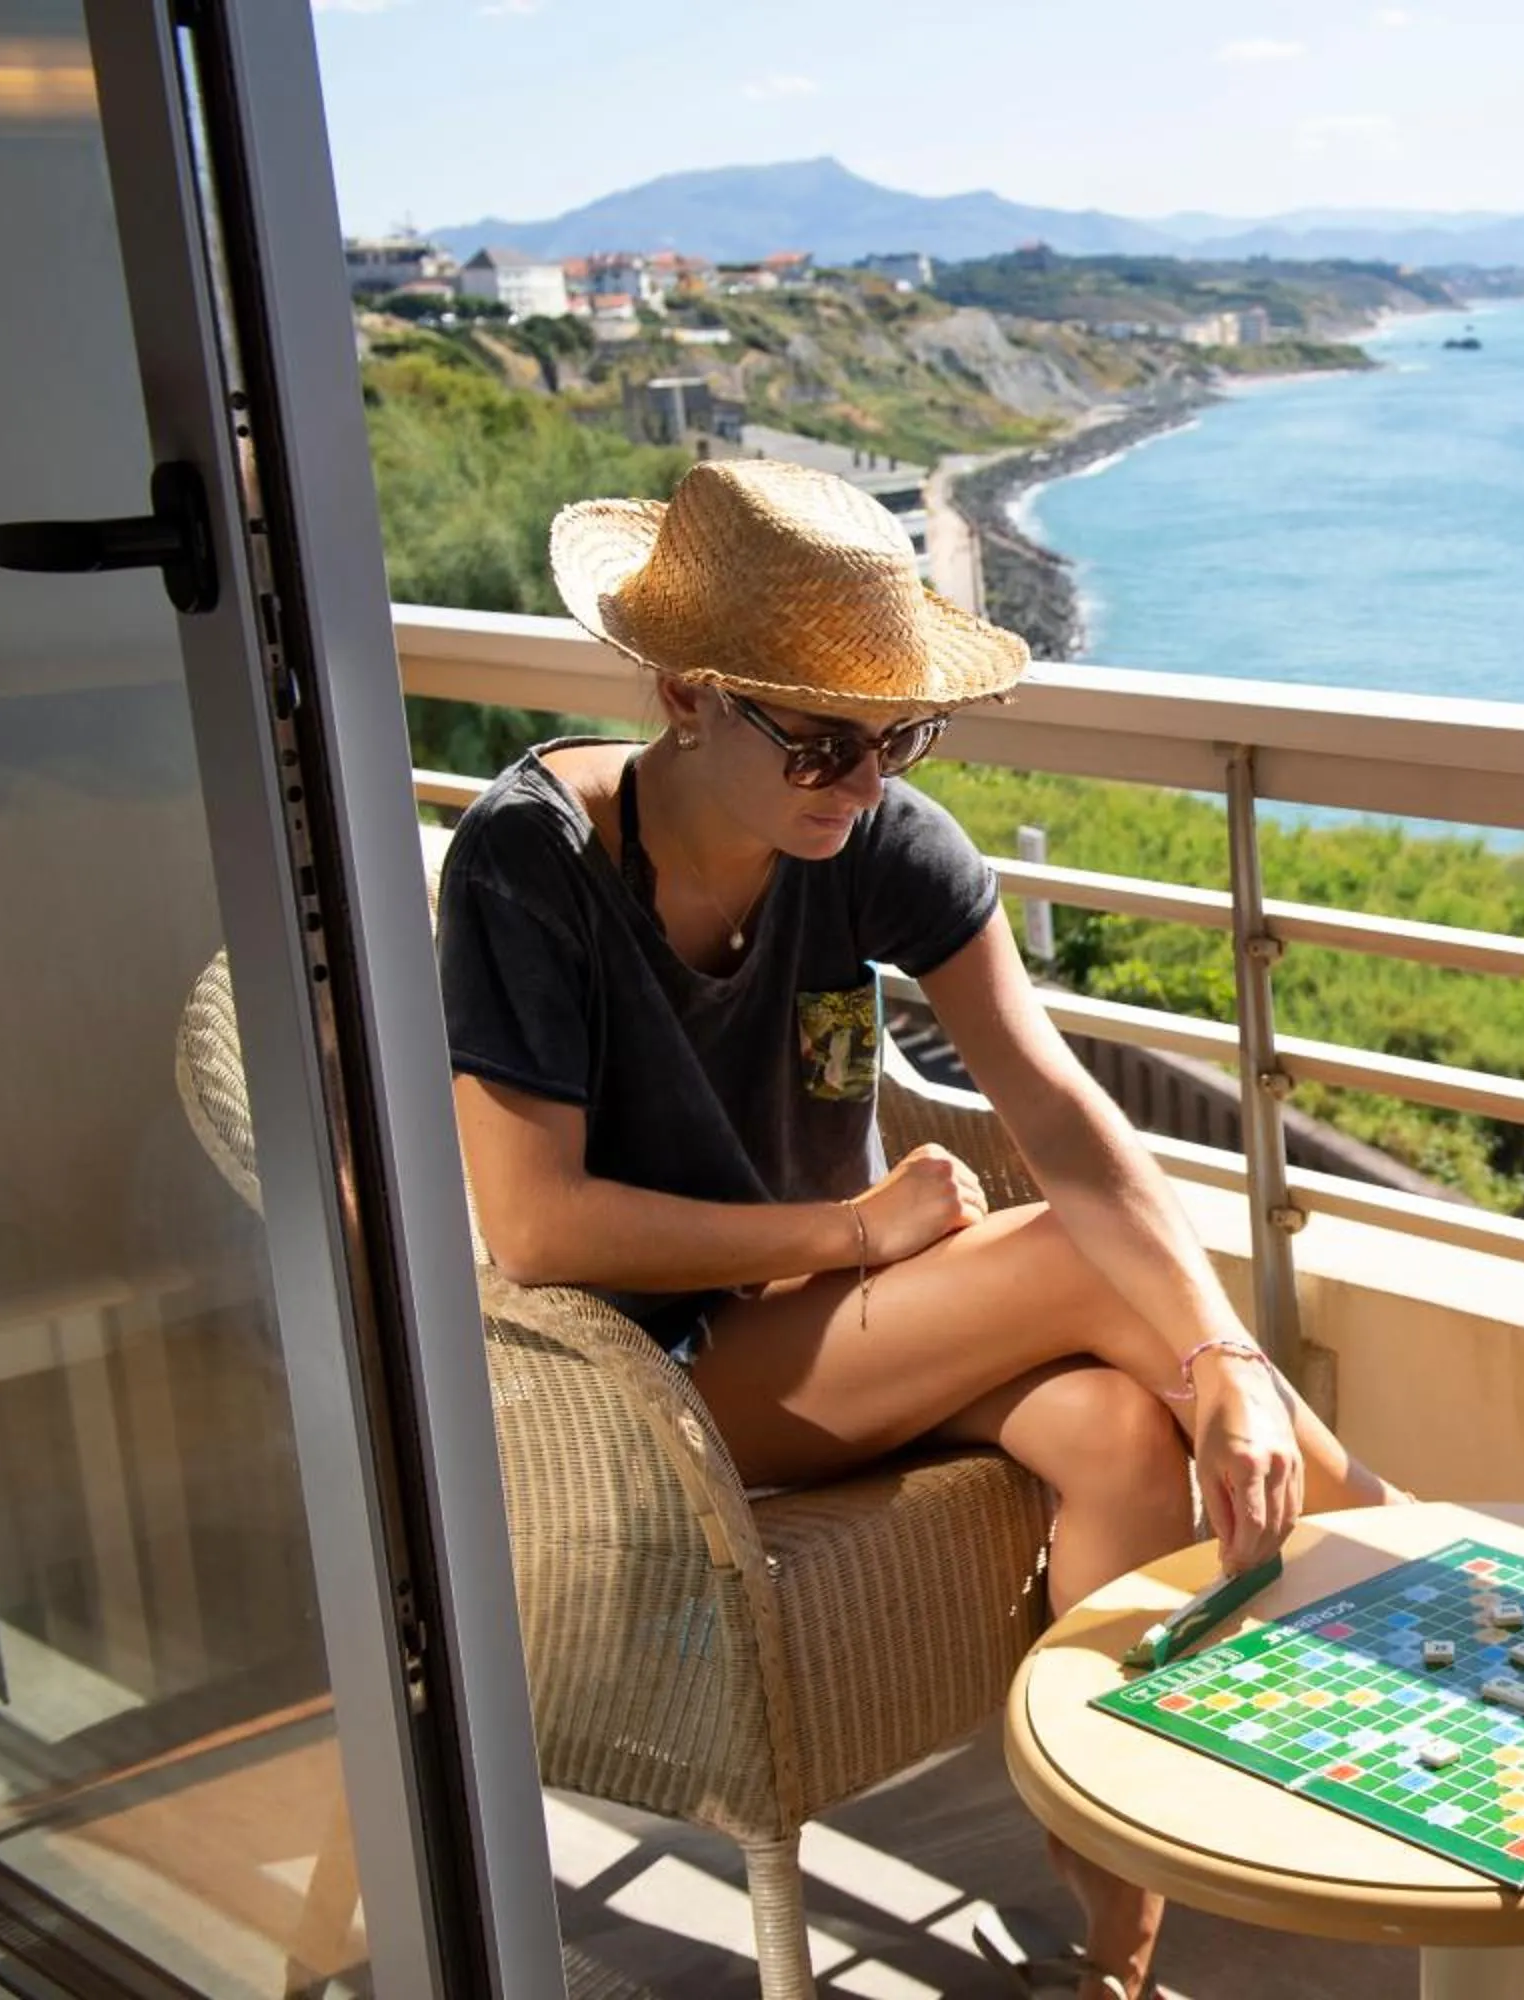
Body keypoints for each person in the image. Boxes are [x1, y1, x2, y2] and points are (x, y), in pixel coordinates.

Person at [434, 458, 1396, 2000]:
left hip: (840, 1343)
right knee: (1082, 1268)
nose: (863, 779)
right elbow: (535, 1228)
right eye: (820, 739)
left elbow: (1058, 1105)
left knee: (1117, 1435)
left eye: (897, 734)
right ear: (687, 695)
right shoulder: (530, 865)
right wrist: (853, 1237)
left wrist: (1211, 1355)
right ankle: (1431, 1580)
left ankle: (1116, 1963)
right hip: (645, 1386)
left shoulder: (871, 836)